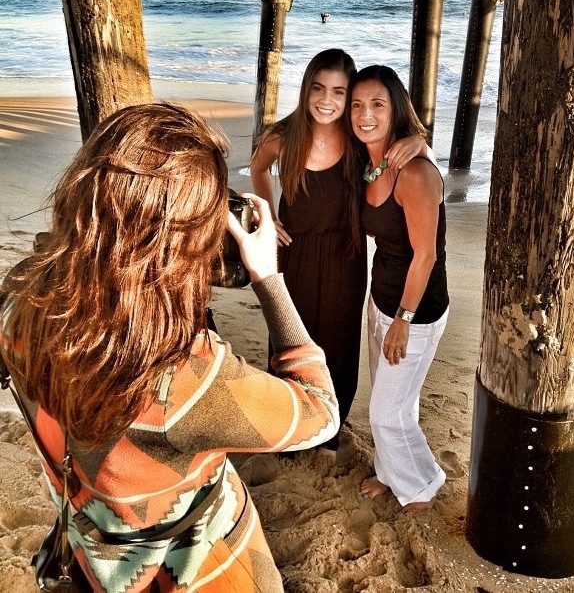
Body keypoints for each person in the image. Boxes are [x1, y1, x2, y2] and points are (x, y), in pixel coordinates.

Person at [0, 103, 340, 592]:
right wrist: (268, 278)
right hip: (196, 570)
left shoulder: (20, 301)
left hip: (91, 548)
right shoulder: (184, 378)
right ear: (180, 243)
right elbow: (320, 412)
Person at [250, 49, 426, 457]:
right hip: (293, 252)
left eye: (339, 92)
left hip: (345, 254)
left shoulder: (356, 138)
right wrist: (267, 213)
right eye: (319, 88)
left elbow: (399, 141)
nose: (327, 100)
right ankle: (287, 427)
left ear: (349, 98)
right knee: (289, 336)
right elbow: (257, 168)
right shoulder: (284, 137)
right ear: (306, 89)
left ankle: (329, 427)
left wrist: (418, 140)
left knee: (338, 342)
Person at [350, 65, 449, 511]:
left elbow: (425, 256)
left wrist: (403, 321)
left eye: (377, 104)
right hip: (382, 298)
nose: (365, 114)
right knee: (395, 403)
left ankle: (423, 486)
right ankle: (391, 474)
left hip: (416, 310)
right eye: (357, 105)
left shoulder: (415, 173)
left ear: (395, 109)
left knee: (386, 414)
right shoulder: (370, 163)